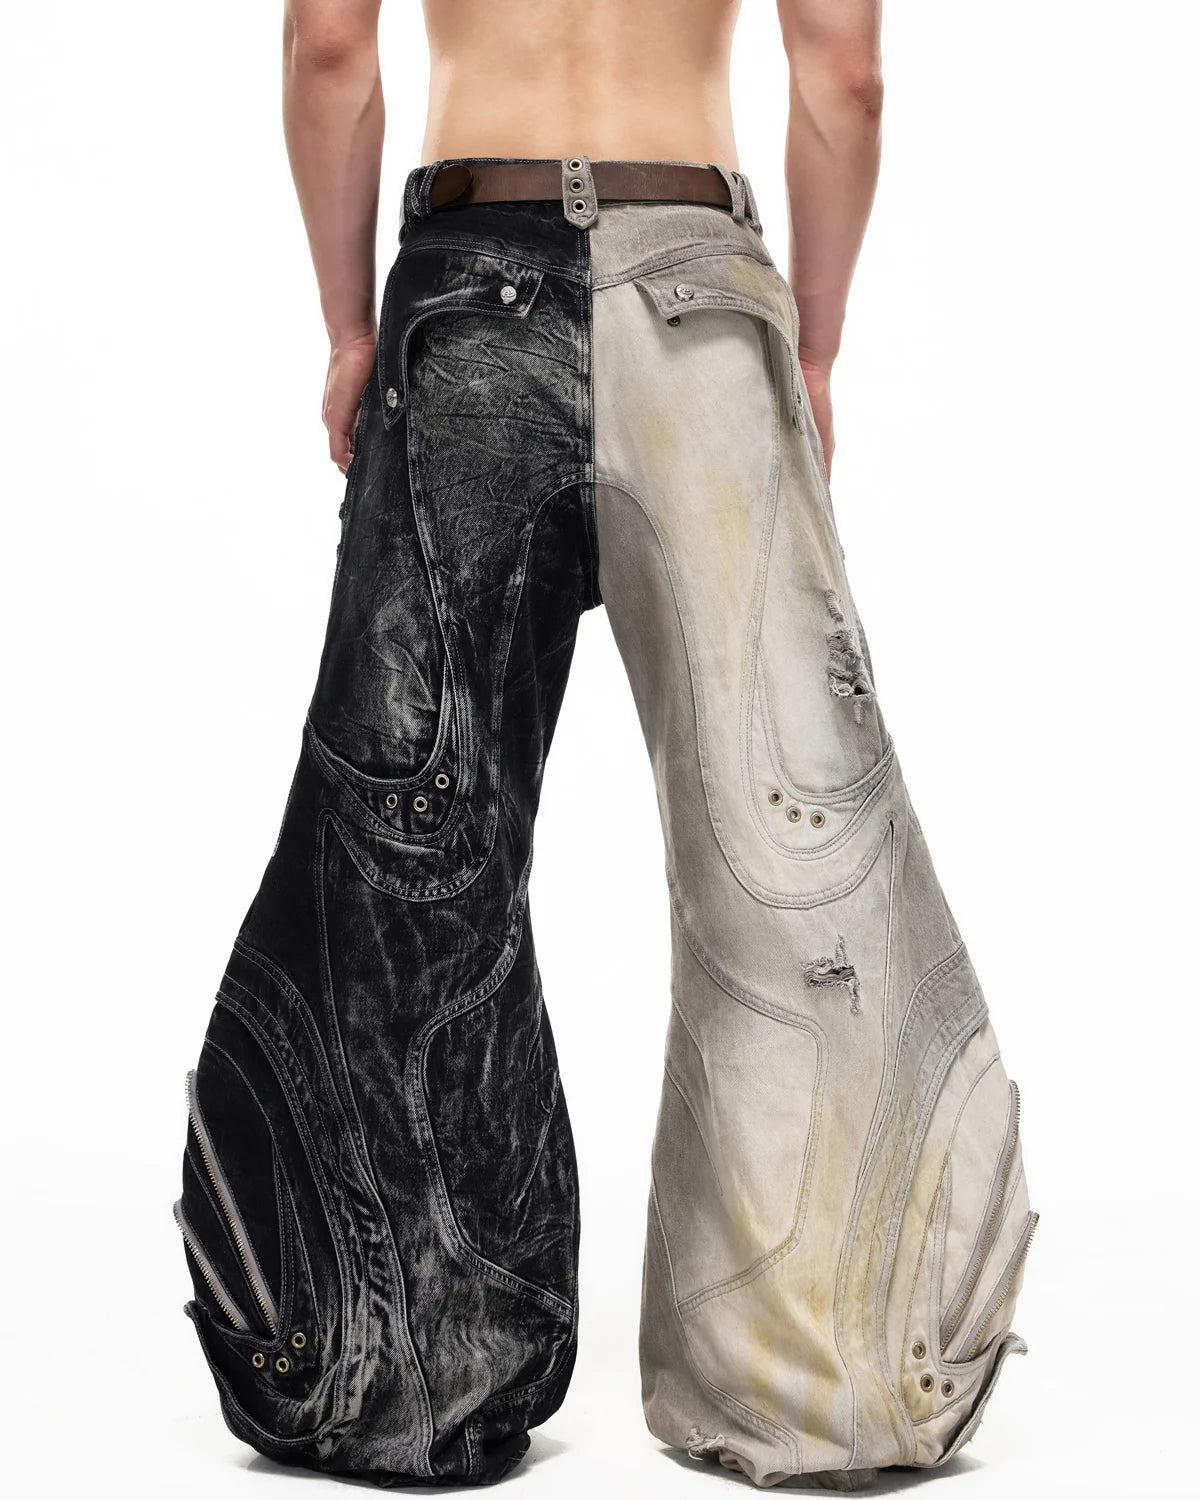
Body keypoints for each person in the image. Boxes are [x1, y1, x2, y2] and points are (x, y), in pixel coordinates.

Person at [174, 0, 1036, 1487]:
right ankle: (819, 1380)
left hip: (463, 297)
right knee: (785, 858)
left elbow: (328, 49)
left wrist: (350, 332)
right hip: (702, 287)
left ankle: (407, 1372)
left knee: (412, 859)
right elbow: (843, 71)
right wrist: (816, 346)